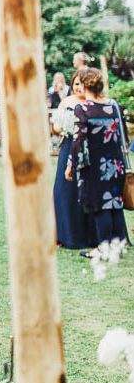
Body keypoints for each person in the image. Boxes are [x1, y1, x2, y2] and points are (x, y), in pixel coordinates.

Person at [66, 67, 131, 251]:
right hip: (115, 164)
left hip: (94, 166)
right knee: (115, 204)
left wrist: (71, 166)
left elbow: (78, 141)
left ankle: (103, 249)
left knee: (100, 206)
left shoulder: (83, 109)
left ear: (86, 86)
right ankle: (118, 246)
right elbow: (122, 136)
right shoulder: (113, 106)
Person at [51, 71, 89, 249]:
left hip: (87, 149)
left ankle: (84, 234)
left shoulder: (92, 102)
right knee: (63, 189)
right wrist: (65, 129)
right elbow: (56, 125)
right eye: (76, 84)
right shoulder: (66, 102)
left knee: (84, 190)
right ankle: (62, 234)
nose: (78, 87)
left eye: (82, 84)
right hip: (68, 147)